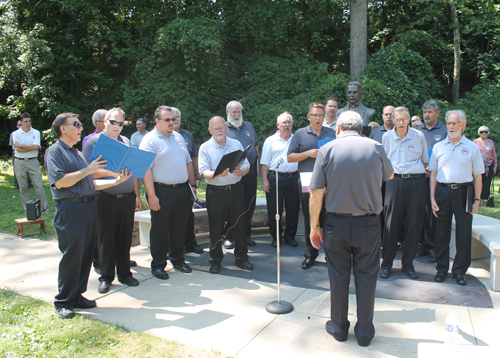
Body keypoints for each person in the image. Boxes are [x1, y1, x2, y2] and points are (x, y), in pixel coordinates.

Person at [309, 111, 393, 347]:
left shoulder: (328, 149)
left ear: (338, 129)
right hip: (368, 224)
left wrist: (314, 226)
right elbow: (391, 174)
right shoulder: (376, 147)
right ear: (361, 129)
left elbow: (316, 192)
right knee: (367, 278)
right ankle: (365, 333)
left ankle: (339, 328)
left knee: (338, 277)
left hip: (336, 223)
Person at [44, 112, 131, 319]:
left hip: (88, 206)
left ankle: (77, 295)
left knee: (85, 255)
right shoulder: (54, 151)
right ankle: (63, 300)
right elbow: (60, 182)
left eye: (81, 123)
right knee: (72, 255)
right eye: (76, 124)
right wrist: (88, 169)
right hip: (71, 209)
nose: (80, 127)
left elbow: (90, 183)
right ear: (63, 128)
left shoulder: (76, 153)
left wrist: (116, 181)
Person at [82, 108, 141, 293]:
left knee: (125, 237)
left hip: (127, 197)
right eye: (113, 122)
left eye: (121, 124)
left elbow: (134, 171)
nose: (117, 126)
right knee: (106, 239)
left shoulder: (126, 141)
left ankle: (125, 274)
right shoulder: (93, 142)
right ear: (105, 121)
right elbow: (89, 171)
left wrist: (137, 195)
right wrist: (114, 173)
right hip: (105, 197)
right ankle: (106, 276)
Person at [139, 106, 196, 280]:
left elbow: (188, 162)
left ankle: (178, 260)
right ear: (157, 121)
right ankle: (158, 265)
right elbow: (145, 170)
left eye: (173, 119)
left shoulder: (178, 137)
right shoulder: (149, 140)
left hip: (182, 189)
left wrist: (192, 185)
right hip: (161, 191)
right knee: (160, 229)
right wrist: (151, 195)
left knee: (179, 228)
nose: (172, 122)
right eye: (167, 120)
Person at [430, 110, 484, 286]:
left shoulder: (473, 147)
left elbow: (478, 176)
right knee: (441, 233)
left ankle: (460, 271)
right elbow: (433, 174)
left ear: (463, 125)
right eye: (449, 123)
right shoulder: (439, 147)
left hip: (464, 193)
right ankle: (441, 269)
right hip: (443, 193)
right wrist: (432, 198)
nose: (451, 127)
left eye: (455, 123)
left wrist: (477, 200)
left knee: (463, 234)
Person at [198, 116, 253, 274]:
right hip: (216, 192)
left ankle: (242, 258)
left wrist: (241, 171)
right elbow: (203, 171)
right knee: (216, 227)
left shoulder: (235, 144)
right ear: (210, 130)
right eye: (216, 128)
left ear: (226, 128)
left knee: (239, 225)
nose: (220, 131)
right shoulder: (205, 147)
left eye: (222, 127)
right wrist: (216, 174)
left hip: (235, 189)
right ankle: (215, 260)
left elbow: (246, 163)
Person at [380, 107, 428, 280]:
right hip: (395, 182)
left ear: (409, 120)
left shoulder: (419, 136)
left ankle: (408, 265)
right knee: (391, 223)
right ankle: (386, 264)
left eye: (404, 119)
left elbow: (424, 161)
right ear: (393, 120)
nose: (401, 123)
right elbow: (383, 161)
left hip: (416, 182)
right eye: (397, 119)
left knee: (414, 224)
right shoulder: (386, 137)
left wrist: (414, 176)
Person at [287, 103, 336, 269]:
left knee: (329, 219)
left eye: (321, 115)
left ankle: (331, 255)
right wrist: (308, 154)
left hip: (329, 181)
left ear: (324, 117)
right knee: (311, 218)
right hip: (308, 181)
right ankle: (310, 254)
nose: (318, 118)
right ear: (309, 116)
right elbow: (290, 157)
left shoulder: (332, 133)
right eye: (315, 115)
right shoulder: (300, 134)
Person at [261, 111, 300, 247]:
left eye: (289, 122)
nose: (287, 125)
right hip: (275, 177)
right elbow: (264, 162)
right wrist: (265, 180)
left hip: (294, 178)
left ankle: (290, 236)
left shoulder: (297, 139)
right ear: (278, 125)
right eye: (284, 122)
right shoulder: (270, 141)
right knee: (274, 209)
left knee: (293, 208)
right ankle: (276, 237)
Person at [415, 100, 448, 262]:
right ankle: (423, 245)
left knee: (436, 213)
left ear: (438, 113)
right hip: (419, 178)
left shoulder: (444, 130)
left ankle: (435, 247)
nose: (426, 115)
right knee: (421, 212)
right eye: (424, 112)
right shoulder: (417, 131)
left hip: (437, 179)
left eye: (430, 112)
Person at [224, 100, 260, 248]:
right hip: (231, 173)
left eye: (239, 111)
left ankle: (245, 235)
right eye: (234, 112)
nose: (237, 115)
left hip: (249, 172)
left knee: (248, 204)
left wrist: (257, 166)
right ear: (227, 113)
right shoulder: (223, 128)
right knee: (231, 205)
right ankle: (229, 236)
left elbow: (256, 147)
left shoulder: (248, 126)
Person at [171, 107, 204, 254]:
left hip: (186, 183)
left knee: (188, 215)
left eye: (177, 117)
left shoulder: (187, 136)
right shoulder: (161, 137)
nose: (175, 120)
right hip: (168, 183)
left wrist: (196, 178)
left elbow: (194, 158)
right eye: (171, 118)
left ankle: (190, 243)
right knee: (170, 217)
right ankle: (170, 247)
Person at [12, 112, 49, 214]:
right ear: (21, 123)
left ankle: (44, 208)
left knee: (38, 185)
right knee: (23, 187)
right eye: (26, 122)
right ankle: (28, 209)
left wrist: (22, 146)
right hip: (19, 162)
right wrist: (31, 147)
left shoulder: (36, 132)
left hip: (33, 161)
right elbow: (18, 150)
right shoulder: (15, 134)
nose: (28, 123)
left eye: (29, 121)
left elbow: (36, 147)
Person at [473, 126, 497, 206]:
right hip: (477, 165)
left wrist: (495, 166)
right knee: (477, 182)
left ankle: (482, 201)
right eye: (482, 132)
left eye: (486, 132)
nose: (484, 133)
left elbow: (494, 154)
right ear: (479, 132)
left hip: (488, 165)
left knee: (486, 184)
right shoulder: (475, 142)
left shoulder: (491, 142)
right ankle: (476, 199)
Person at [10, 120, 32, 189]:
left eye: (22, 125)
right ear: (17, 126)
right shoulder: (13, 134)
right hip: (16, 153)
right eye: (19, 125)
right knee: (17, 169)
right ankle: (17, 185)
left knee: (29, 168)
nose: (21, 126)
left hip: (28, 153)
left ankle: (29, 184)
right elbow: (14, 146)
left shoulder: (28, 133)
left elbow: (32, 146)